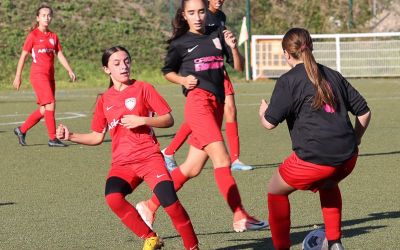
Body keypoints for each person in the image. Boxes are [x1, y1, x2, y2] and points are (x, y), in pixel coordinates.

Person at [136, 0, 267, 233]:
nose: (197, 17)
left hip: (216, 105)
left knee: (191, 168)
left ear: (207, 12)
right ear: (184, 15)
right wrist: (183, 80)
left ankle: (150, 205)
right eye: (192, 13)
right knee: (223, 160)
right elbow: (168, 72)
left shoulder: (218, 32)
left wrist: (234, 48)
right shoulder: (180, 43)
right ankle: (240, 215)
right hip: (198, 105)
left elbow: (238, 67)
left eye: (201, 11)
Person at [56, 46, 198, 250]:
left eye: (126, 61)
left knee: (170, 202)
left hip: (149, 158)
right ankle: (150, 237)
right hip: (123, 163)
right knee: (113, 198)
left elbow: (168, 119)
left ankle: (192, 247)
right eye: (116, 63)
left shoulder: (143, 88)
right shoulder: (104, 100)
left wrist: (142, 120)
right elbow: (97, 137)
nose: (123, 67)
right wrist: (70, 136)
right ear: (106, 69)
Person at [258, 28, 371, 250]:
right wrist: (355, 141)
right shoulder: (333, 74)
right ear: (311, 48)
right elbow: (364, 112)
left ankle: (281, 247)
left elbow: (269, 123)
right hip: (347, 159)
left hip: (314, 160)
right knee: (329, 183)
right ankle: (335, 242)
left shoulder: (288, 80)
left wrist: (263, 112)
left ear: (286, 54)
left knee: (275, 190)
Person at [161, 0, 253, 172]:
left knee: (229, 111)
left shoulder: (220, 16)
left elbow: (231, 58)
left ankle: (235, 159)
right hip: (205, 77)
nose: (219, 0)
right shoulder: (201, 15)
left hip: (218, 71)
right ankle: (169, 151)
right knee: (200, 117)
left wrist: (232, 48)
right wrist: (184, 78)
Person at [12, 4, 76, 147]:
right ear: (38, 18)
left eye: (49, 15)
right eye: (43, 15)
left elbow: (59, 54)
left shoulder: (53, 36)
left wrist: (69, 70)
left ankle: (21, 130)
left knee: (44, 109)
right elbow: (23, 57)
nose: (47, 18)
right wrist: (18, 76)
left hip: (49, 77)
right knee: (51, 104)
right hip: (38, 75)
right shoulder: (33, 35)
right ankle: (53, 138)